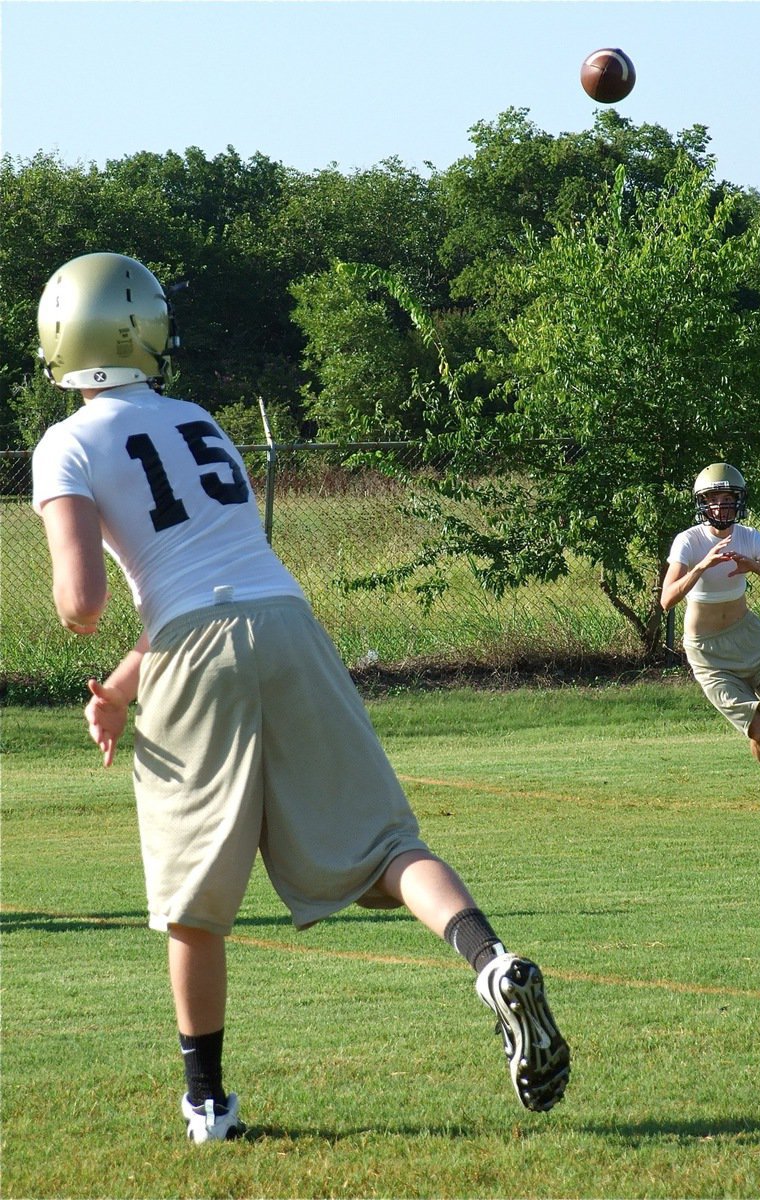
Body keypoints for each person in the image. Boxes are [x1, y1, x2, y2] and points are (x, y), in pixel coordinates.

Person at [31, 252, 569, 1143]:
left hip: (193, 655)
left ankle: (208, 1105)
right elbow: (217, 578)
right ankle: (491, 961)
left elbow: (89, 602)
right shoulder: (199, 418)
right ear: (147, 330)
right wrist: (124, 688)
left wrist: (82, 624)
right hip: (287, 623)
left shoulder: (67, 441)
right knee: (389, 847)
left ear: (60, 338)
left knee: (194, 907)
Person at [660, 463, 760, 797]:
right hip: (708, 652)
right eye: (713, 498)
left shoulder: (749, 537)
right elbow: (667, 600)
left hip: (751, 638)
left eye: (727, 498)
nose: (720, 505)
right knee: (757, 731)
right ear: (702, 503)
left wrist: (755, 566)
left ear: (738, 502)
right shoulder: (688, 541)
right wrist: (702, 566)